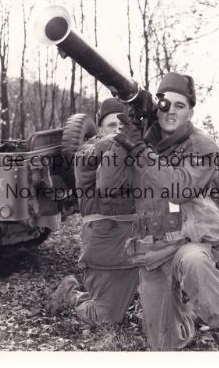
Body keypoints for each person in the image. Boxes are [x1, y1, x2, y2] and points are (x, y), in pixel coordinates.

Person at [99, 72, 219, 350]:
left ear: (190, 111)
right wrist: (121, 143)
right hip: (152, 251)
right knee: (163, 344)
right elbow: (106, 186)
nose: (172, 111)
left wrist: (140, 151)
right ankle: (189, 316)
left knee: (194, 262)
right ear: (157, 105)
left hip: (189, 241)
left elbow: (179, 189)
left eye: (181, 106)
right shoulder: (139, 139)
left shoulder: (201, 145)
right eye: (166, 103)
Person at [48, 98, 139, 326]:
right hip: (106, 247)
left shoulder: (134, 153)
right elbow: (92, 156)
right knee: (106, 317)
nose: (118, 131)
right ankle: (72, 294)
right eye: (111, 125)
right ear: (99, 129)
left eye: (122, 125)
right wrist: (117, 142)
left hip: (138, 245)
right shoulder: (87, 152)